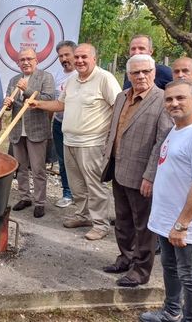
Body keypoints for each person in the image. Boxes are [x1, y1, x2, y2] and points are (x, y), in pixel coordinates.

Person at [139, 79, 192, 322]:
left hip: (185, 224)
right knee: (171, 269)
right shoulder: (176, 129)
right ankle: (171, 311)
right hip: (166, 218)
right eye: (169, 99)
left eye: (180, 98)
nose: (174, 103)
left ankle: (189, 319)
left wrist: (181, 225)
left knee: (190, 276)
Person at [30, 43, 122, 240]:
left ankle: (100, 224)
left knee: (95, 185)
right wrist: (38, 104)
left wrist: (112, 138)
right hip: (69, 140)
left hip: (92, 143)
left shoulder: (104, 78)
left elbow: (119, 108)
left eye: (84, 57)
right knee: (76, 184)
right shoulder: (72, 80)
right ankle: (83, 215)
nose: (79, 61)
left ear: (94, 59)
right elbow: (60, 104)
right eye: (77, 57)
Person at [100, 54, 173, 288]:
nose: (141, 76)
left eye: (146, 71)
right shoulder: (122, 96)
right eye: (135, 73)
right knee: (122, 221)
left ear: (154, 72)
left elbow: (162, 142)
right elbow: (114, 129)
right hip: (118, 168)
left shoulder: (162, 100)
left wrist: (150, 175)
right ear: (128, 75)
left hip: (142, 175)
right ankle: (125, 257)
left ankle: (141, 270)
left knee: (143, 225)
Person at [5, 48, 55, 218]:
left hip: (37, 130)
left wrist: (26, 90)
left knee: (38, 169)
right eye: (22, 60)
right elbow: (10, 104)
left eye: (29, 59)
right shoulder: (13, 80)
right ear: (18, 63)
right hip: (18, 131)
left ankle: (40, 202)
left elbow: (48, 99)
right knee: (20, 168)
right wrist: (8, 103)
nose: (25, 62)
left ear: (36, 60)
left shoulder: (45, 77)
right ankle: (25, 197)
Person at [50, 40, 77, 208]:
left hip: (76, 127)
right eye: (61, 56)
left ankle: (82, 195)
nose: (64, 58)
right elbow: (55, 102)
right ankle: (67, 193)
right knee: (63, 161)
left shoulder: (80, 75)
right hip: (59, 124)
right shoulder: (57, 75)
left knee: (79, 163)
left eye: (67, 54)